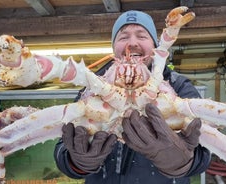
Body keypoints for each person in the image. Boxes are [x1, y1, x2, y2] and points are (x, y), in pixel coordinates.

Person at [54, 10, 211, 184]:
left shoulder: (178, 86)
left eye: (141, 35)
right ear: (114, 48)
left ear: (155, 45)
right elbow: (62, 145)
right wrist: (76, 162)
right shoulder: (91, 90)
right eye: (123, 37)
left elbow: (206, 151)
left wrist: (182, 162)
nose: (132, 43)